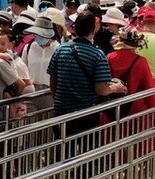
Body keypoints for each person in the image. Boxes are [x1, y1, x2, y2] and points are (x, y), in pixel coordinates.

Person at [47, 13, 126, 148]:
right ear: (92, 30)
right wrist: (116, 88)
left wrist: (59, 101)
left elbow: (53, 81)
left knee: (63, 152)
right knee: (86, 153)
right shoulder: (97, 54)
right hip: (86, 113)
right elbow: (101, 89)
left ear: (75, 29)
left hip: (61, 111)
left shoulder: (60, 49)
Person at [106, 29, 155, 155]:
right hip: (136, 108)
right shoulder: (140, 61)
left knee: (114, 142)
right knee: (137, 145)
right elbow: (149, 88)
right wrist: (154, 110)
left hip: (113, 107)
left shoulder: (109, 57)